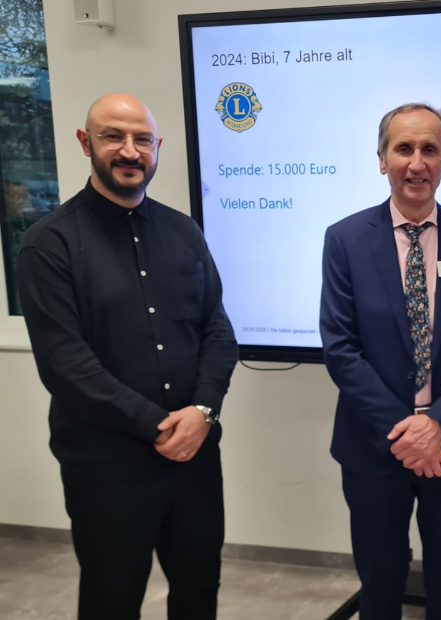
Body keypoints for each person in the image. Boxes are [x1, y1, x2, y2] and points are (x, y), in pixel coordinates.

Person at [17, 94, 238, 620]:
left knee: (198, 592)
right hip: (107, 468)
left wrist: (202, 411)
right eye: (113, 136)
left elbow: (217, 330)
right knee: (111, 600)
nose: (130, 151)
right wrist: (159, 426)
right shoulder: (47, 245)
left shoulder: (184, 231)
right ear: (85, 143)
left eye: (142, 139)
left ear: (157, 147)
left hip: (194, 458)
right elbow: (67, 365)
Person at [320, 102, 441, 619]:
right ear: (383, 159)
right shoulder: (345, 240)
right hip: (373, 447)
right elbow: (340, 347)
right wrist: (408, 432)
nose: (417, 162)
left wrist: (438, 423)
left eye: (431, 149)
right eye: (404, 148)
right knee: (380, 582)